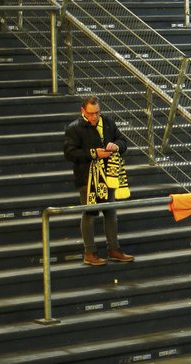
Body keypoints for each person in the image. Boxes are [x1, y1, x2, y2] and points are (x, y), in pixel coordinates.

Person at [63, 96, 135, 266]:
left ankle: (114, 249)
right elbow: (70, 153)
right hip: (87, 178)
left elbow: (123, 141)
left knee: (110, 212)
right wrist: (94, 153)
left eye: (97, 113)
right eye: (91, 113)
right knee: (89, 213)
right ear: (83, 111)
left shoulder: (108, 122)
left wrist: (116, 146)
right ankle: (89, 252)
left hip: (108, 175)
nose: (95, 117)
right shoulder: (74, 128)